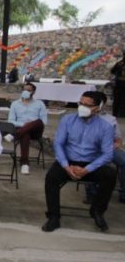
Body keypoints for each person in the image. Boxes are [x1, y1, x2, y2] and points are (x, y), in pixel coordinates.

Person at [42, 91, 116, 233]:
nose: (82, 107)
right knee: (51, 177)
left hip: (91, 163)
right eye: (80, 103)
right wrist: (66, 166)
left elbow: (107, 154)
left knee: (110, 175)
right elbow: (58, 144)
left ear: (97, 108)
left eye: (87, 105)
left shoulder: (105, 127)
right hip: (69, 161)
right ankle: (53, 217)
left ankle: (97, 211)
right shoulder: (67, 120)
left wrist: (87, 169)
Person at [83, 92, 125, 204]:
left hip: (109, 149)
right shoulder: (80, 117)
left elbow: (118, 139)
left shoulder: (110, 119)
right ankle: (92, 194)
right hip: (89, 150)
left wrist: (113, 146)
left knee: (124, 161)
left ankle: (123, 194)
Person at [6, 83, 48, 174]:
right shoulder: (15, 104)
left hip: (36, 130)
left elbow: (44, 121)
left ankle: (14, 135)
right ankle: (24, 164)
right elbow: (11, 121)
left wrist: (30, 124)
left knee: (38, 121)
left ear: (33, 92)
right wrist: (24, 125)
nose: (26, 92)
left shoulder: (40, 104)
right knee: (25, 134)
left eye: (28, 90)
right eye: (24, 90)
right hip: (22, 130)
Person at [111, 51, 125, 117]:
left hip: (119, 83)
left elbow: (113, 71)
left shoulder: (119, 63)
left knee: (120, 99)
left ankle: (119, 113)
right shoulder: (119, 63)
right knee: (117, 99)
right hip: (119, 83)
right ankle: (116, 113)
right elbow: (112, 71)